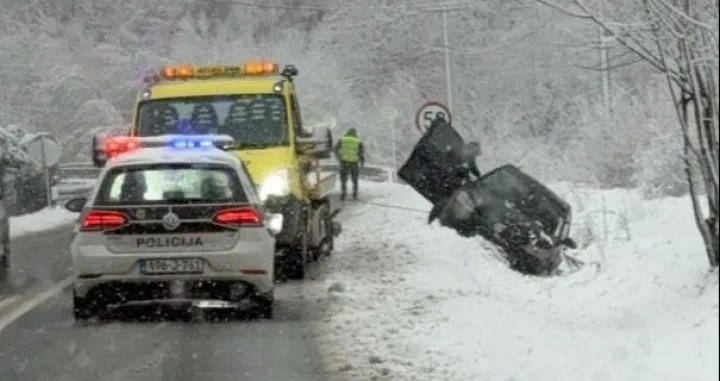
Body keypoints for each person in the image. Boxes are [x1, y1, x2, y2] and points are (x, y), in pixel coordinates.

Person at [334, 127, 365, 201]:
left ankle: (343, 194)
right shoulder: (358, 141)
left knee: (343, 179)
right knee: (355, 180)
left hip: (344, 162)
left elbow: (335, 148)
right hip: (354, 163)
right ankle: (355, 194)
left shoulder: (342, 140)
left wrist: (338, 157)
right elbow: (361, 153)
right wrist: (362, 162)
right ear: (355, 133)